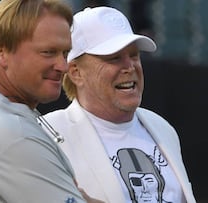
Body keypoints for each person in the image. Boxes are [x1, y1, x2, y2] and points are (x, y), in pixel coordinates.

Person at [0, 0, 103, 202]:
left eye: (65, 53)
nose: (63, 66)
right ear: (0, 52)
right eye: (48, 52)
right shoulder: (13, 135)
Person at [43, 6, 197, 203]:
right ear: (75, 72)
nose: (129, 67)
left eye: (134, 55)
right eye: (113, 58)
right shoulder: (50, 135)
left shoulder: (162, 127)